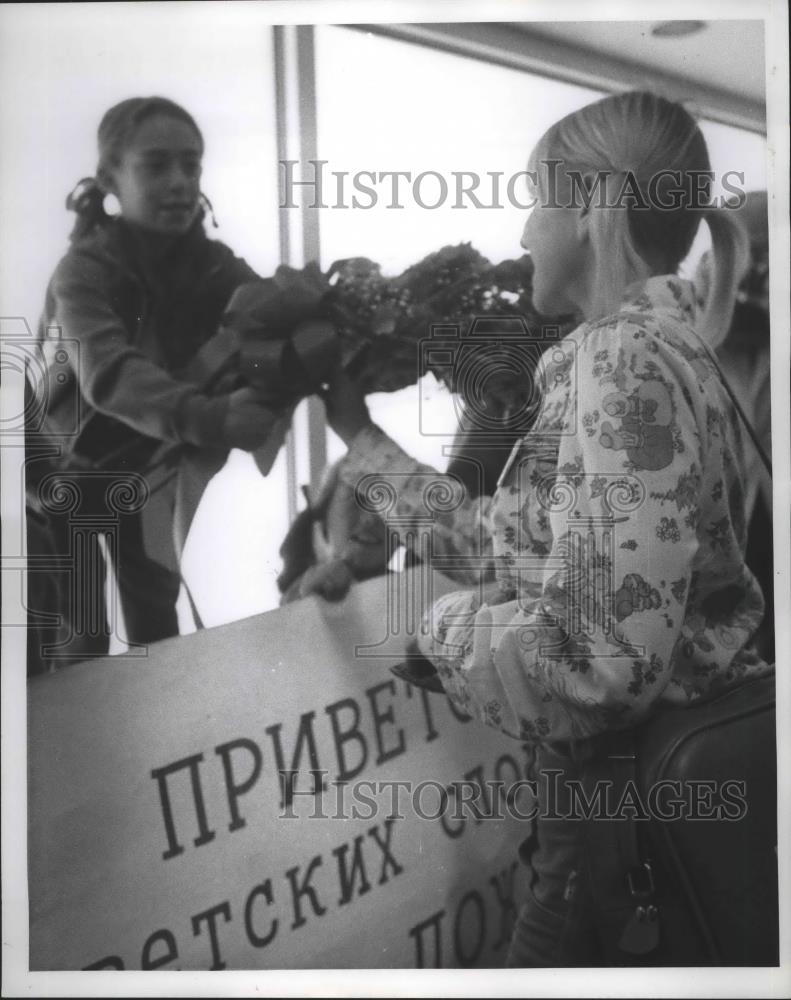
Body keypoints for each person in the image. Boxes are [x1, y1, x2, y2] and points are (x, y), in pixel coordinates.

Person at [321, 91, 773, 965]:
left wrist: (445, 634)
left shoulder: (619, 361)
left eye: (535, 202)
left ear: (591, 211)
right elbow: (512, 544)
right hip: (628, 814)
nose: (524, 232)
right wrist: (364, 448)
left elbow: (600, 666)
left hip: (609, 827)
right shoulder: (670, 348)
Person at [26, 96, 277, 673]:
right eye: (157, 165)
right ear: (111, 176)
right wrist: (212, 418)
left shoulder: (217, 268)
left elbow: (279, 320)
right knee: (79, 638)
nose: (179, 183)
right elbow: (109, 374)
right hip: (61, 474)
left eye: (191, 166)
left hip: (146, 471)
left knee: (157, 630)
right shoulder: (82, 272)